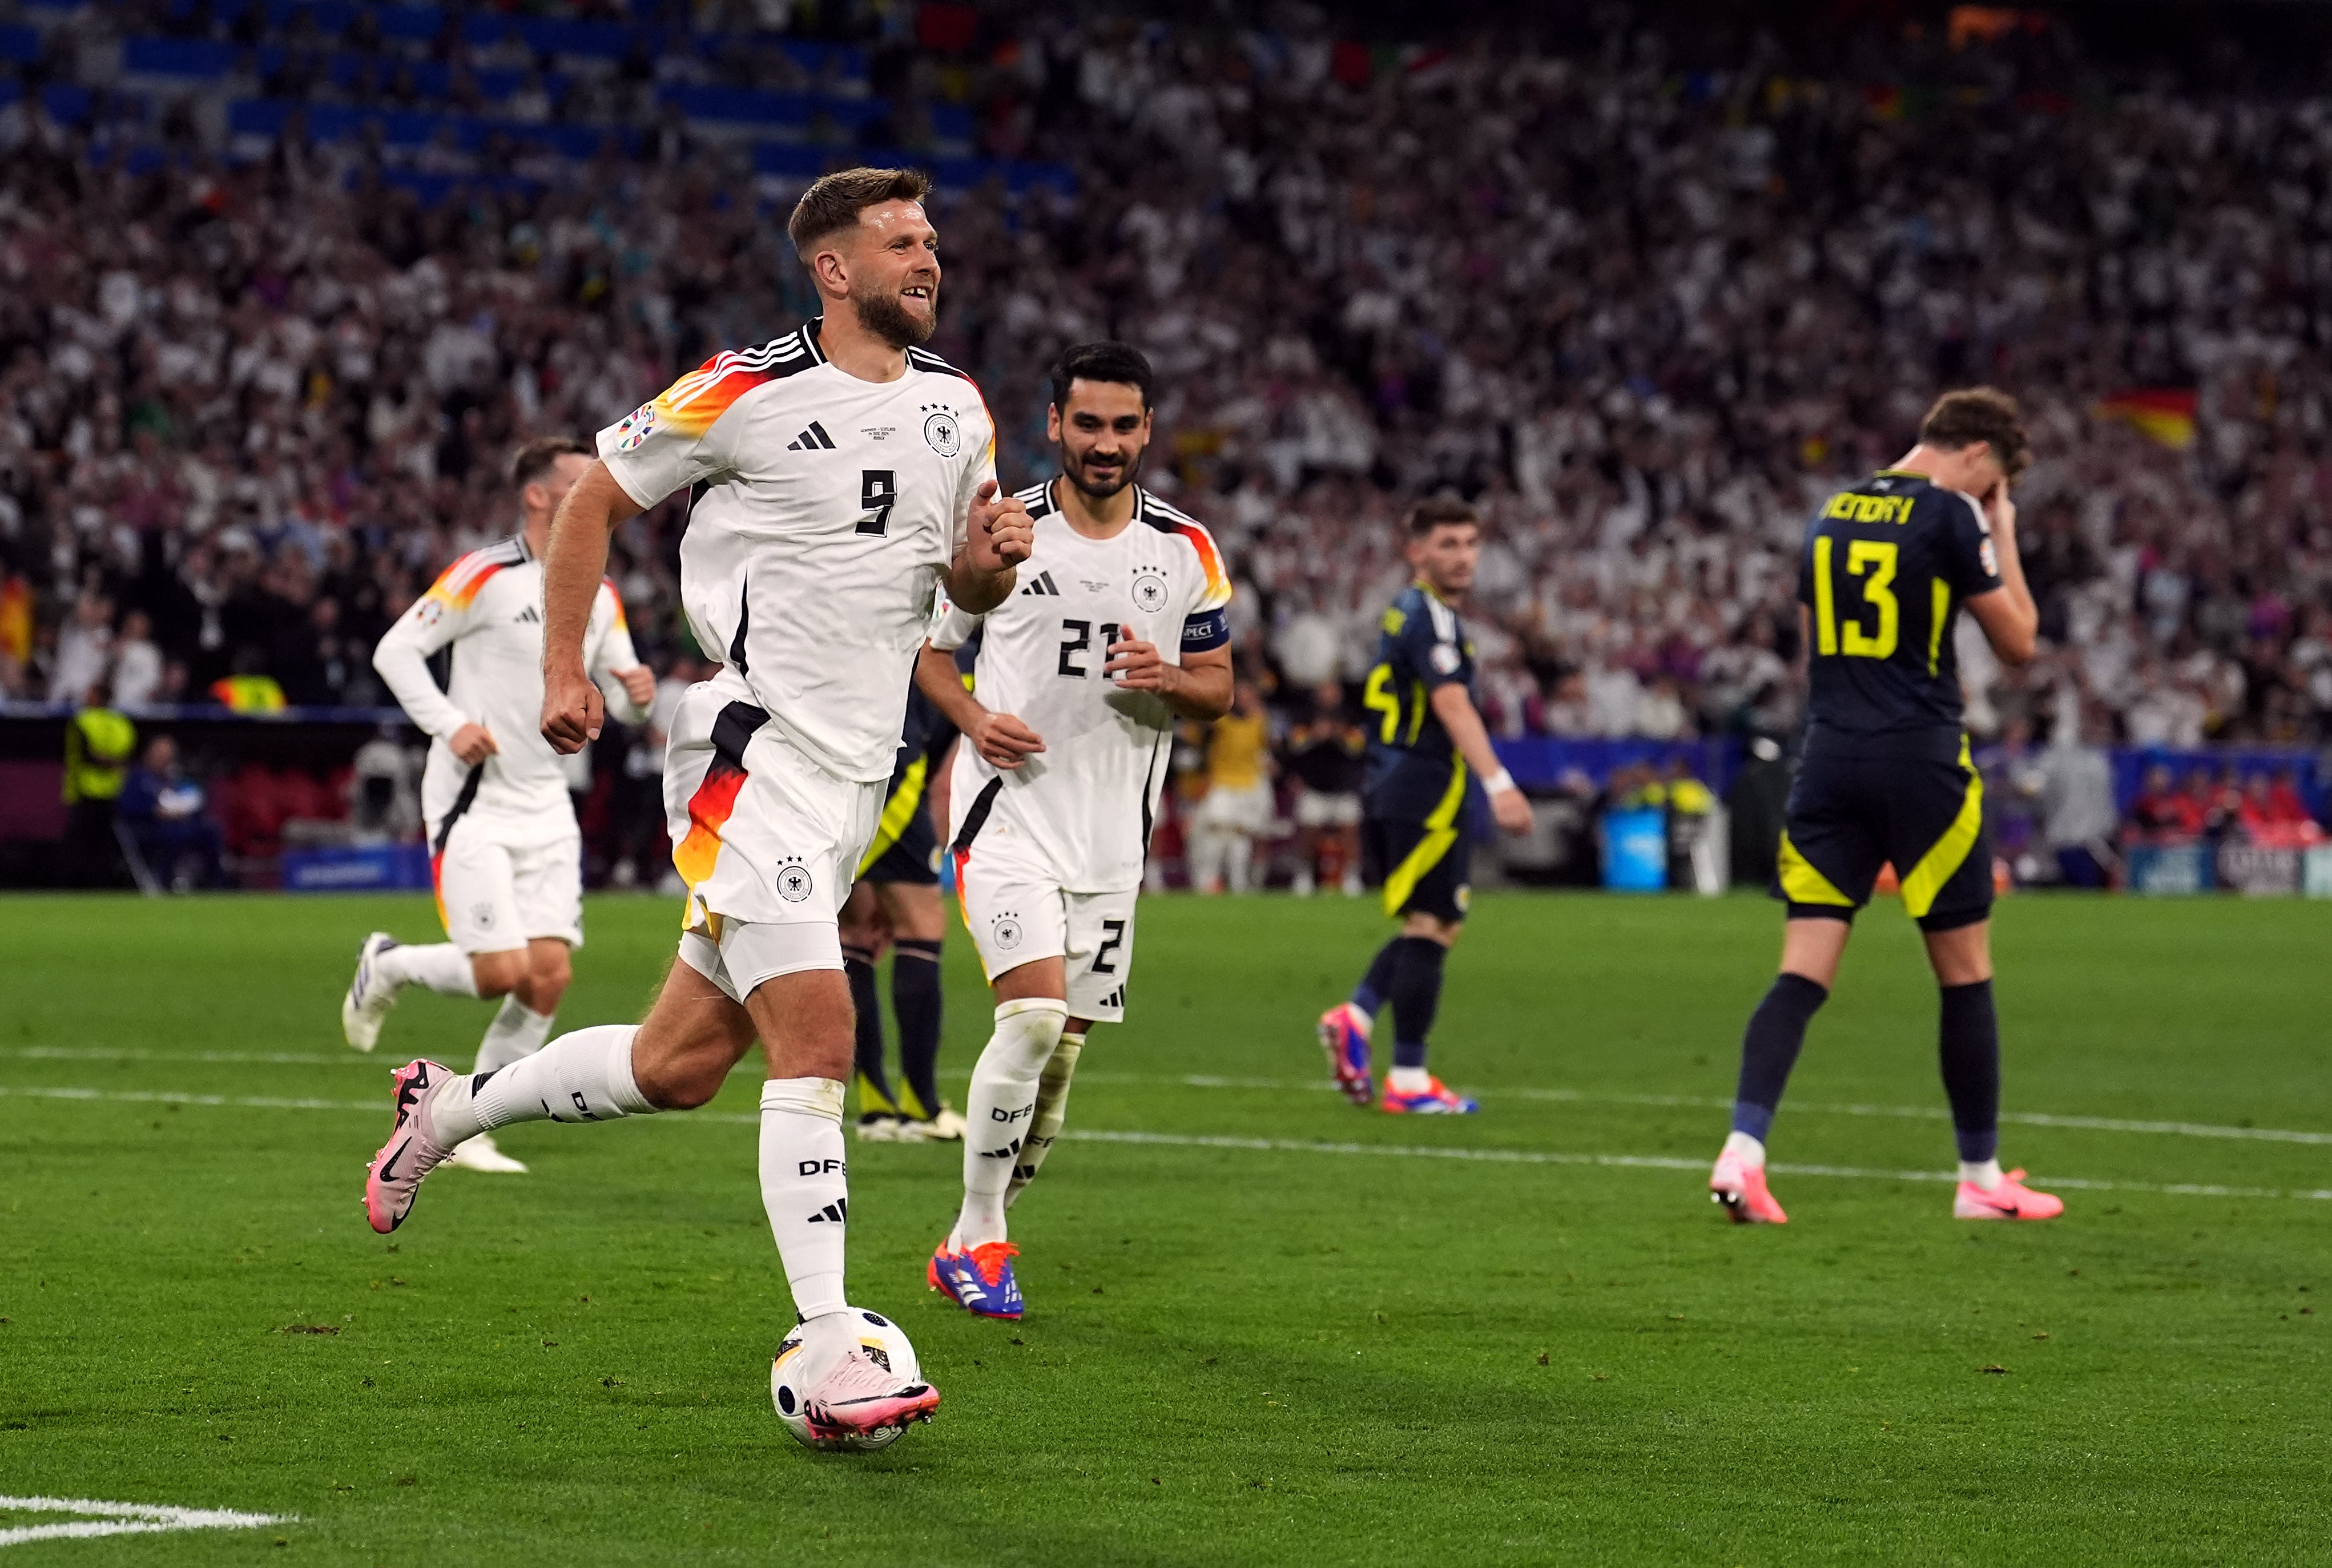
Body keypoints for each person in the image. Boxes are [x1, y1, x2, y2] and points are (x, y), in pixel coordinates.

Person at [357, 166, 1032, 1441]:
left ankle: (442, 1108)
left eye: (931, 238)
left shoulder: (956, 408)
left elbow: (954, 591)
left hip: (850, 774)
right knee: (819, 1030)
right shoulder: (742, 387)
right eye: (900, 243)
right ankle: (831, 1343)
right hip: (745, 744)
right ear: (832, 271)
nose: (927, 259)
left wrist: (986, 572)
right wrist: (564, 665)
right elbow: (594, 500)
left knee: (676, 1067)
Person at [916, 340, 1233, 1320]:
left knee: (1060, 1064)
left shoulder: (1186, 549)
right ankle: (979, 1236)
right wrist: (973, 719)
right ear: (1053, 423)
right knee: (1036, 1019)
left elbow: (1218, 690)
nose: (1104, 443)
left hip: (1110, 845)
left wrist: (1169, 678)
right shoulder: (1008, 527)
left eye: (1123, 426)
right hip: (1005, 817)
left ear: (1146, 430)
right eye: (1085, 423)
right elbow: (930, 655)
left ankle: (979, 1222)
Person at [1709, 387, 2064, 1226]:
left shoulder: (1829, 514)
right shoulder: (1951, 514)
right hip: (1920, 761)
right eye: (1996, 482)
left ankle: (1743, 1148)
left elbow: (1812, 644)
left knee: (1800, 971)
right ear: (1978, 456)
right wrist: (2001, 530)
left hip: (1827, 758)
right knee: (1964, 971)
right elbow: (2019, 644)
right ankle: (1979, 1175)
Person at [342, 437, 655, 1175]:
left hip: (548, 799)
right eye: (581, 481)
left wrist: (636, 693)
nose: (598, 492)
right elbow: (396, 649)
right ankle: (388, 962)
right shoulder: (484, 574)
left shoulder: (599, 592)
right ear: (540, 495)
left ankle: (467, 1124)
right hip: (475, 797)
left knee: (547, 974)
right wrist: (450, 724)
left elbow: (617, 697)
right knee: (499, 971)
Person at [1316, 498, 1535, 1114]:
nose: (1462, 556)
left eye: (1469, 543)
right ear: (1415, 551)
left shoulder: (1405, 612)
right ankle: (1402, 1071)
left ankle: (1367, 1026)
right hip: (1424, 788)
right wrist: (1498, 783)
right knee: (1431, 924)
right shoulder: (1430, 618)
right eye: (1447, 544)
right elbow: (1451, 704)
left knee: (1436, 923)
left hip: (1397, 782)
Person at [841, 678, 965, 1143]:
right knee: (920, 921)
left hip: (835, 753)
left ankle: (875, 1105)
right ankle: (919, 1105)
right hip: (893, 760)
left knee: (854, 930)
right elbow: (950, 712)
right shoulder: (960, 627)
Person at [1186, 680, 1273, 892]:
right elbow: (1196, 738)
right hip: (1222, 784)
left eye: (1249, 697)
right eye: (1241, 697)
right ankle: (1208, 881)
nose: (1245, 701)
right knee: (1216, 833)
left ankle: (1239, 883)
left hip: (1248, 785)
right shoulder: (1219, 722)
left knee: (1240, 837)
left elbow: (1266, 748)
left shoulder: (1259, 721)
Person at [1283, 680, 1366, 896]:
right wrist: (1314, 736)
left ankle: (1352, 877)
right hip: (1314, 785)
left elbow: (1358, 747)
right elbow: (1294, 745)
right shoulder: (1305, 714)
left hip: (1344, 785)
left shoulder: (1350, 714)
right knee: (1308, 834)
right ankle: (1303, 877)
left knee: (1351, 832)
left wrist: (1338, 735)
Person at [118, 734, 225, 889]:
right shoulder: (138, 778)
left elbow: (192, 798)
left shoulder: (173, 778)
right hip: (149, 828)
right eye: (160, 755)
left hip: (179, 823)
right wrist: (155, 812)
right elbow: (128, 808)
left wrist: (185, 810)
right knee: (173, 836)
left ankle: (214, 884)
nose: (165, 760)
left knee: (210, 831)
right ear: (149, 754)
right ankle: (165, 881)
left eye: (168, 756)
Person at [61, 681, 136, 886]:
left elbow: (86, 756)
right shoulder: (122, 723)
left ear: (97, 697)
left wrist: (105, 761)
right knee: (105, 843)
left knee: (80, 842)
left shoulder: (84, 720)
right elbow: (128, 756)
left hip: (85, 789)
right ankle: (102, 884)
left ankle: (77, 885)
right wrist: (115, 764)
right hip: (113, 789)